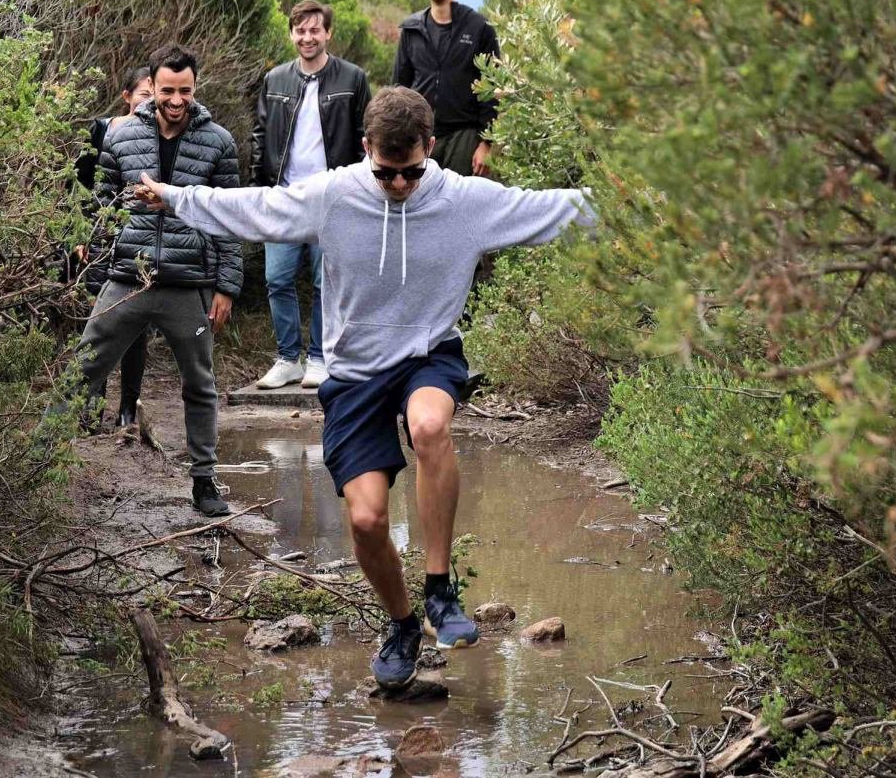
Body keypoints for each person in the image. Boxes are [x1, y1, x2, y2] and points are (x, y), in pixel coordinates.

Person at [129, 87, 594, 688]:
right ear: (365, 148)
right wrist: (172, 197)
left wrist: (654, 202)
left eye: (411, 172)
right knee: (369, 521)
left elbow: (560, 208)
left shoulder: (467, 202)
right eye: (385, 172)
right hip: (353, 373)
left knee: (430, 426)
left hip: (429, 354)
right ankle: (402, 624)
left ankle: (439, 589)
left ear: (430, 148)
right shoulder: (334, 195)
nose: (398, 184)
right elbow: (256, 207)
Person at [77, 44, 241, 517]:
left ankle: (205, 481)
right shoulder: (121, 136)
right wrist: (99, 263)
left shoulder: (219, 143)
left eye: (184, 90)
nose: (175, 99)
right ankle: (38, 463)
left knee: (200, 383)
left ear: (195, 88)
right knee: (82, 370)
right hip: (128, 276)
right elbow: (101, 207)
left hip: (188, 283)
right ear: (152, 88)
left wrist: (227, 286)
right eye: (167, 90)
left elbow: (229, 218)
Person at [249, 0, 370, 391]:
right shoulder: (275, 80)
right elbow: (259, 136)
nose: (307, 37)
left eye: (315, 30)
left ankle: (319, 357)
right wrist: (260, 190)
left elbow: (367, 140)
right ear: (291, 33)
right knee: (277, 279)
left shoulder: (353, 79)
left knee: (326, 282)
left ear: (328, 33)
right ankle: (288, 358)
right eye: (300, 30)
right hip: (283, 196)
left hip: (332, 198)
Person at [75, 66, 154, 428]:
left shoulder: (160, 136)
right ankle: (91, 408)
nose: (150, 101)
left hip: (139, 243)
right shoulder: (101, 130)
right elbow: (78, 186)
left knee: (137, 326)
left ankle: (128, 410)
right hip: (100, 240)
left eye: (155, 95)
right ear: (127, 96)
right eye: (144, 94)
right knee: (99, 325)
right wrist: (80, 235)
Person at [391, 0, 501, 178]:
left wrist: (486, 144)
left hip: (464, 136)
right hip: (419, 136)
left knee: (460, 203)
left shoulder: (479, 27)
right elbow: (398, 88)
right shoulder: (411, 30)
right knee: (418, 203)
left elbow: (492, 88)